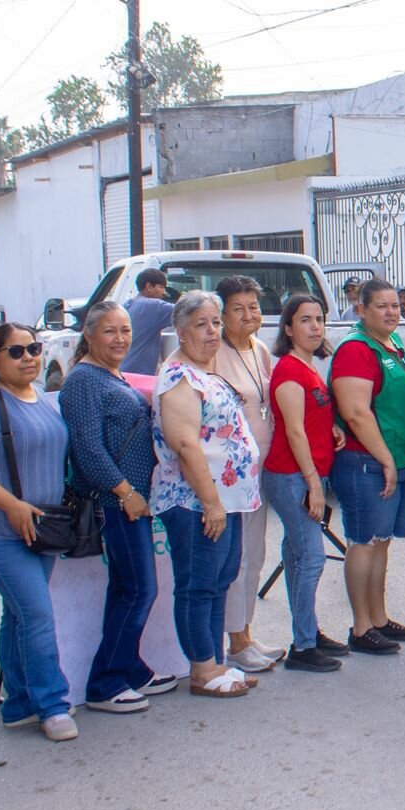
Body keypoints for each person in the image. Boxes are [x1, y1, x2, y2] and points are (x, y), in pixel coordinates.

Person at [0, 324, 77, 740]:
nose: (28, 357)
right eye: (15, 351)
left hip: (42, 530)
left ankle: (19, 703)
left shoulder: (43, 399)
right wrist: (11, 505)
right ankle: (52, 705)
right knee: (38, 613)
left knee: (19, 613)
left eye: (34, 349)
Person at [60, 303, 178, 712]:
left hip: (134, 502)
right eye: (110, 331)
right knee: (139, 589)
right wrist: (127, 493)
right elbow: (88, 448)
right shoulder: (82, 381)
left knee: (128, 588)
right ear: (89, 335)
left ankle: (130, 665)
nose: (120, 339)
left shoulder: (113, 374)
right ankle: (105, 681)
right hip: (116, 503)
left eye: (125, 330)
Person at [151, 292, 263, 698]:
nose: (212, 331)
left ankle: (215, 661)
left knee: (220, 580)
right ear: (180, 332)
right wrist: (211, 503)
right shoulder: (179, 376)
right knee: (198, 585)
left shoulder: (205, 372)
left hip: (226, 501)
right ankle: (201, 669)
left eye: (216, 323)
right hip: (196, 502)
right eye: (201, 324)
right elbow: (186, 445)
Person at [329, 278, 405, 655]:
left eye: (395, 306)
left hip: (395, 459)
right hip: (366, 461)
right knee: (364, 543)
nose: (390, 312)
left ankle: (379, 618)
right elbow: (355, 412)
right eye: (381, 306)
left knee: (382, 543)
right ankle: (361, 626)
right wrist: (384, 458)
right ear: (361, 309)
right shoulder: (356, 349)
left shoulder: (392, 343)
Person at [265, 295, 347, 673]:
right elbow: (293, 431)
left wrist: (329, 427)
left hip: (308, 472)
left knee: (297, 555)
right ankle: (303, 645)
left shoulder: (309, 367)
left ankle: (308, 630)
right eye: (305, 320)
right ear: (288, 328)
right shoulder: (288, 370)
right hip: (292, 476)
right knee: (311, 557)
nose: (315, 327)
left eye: (319, 319)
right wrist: (314, 485)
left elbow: (308, 416)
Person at [211, 275, 282, 673]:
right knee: (235, 557)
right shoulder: (213, 352)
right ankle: (232, 641)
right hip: (228, 474)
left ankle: (246, 634)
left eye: (253, 306)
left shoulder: (258, 349)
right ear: (221, 315)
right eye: (238, 309)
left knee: (254, 554)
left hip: (261, 468)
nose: (249, 314)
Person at [120, 267, 174, 376]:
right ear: (149, 286)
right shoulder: (154, 306)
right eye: (161, 287)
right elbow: (188, 311)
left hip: (123, 371)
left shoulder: (127, 304)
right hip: (141, 376)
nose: (164, 292)